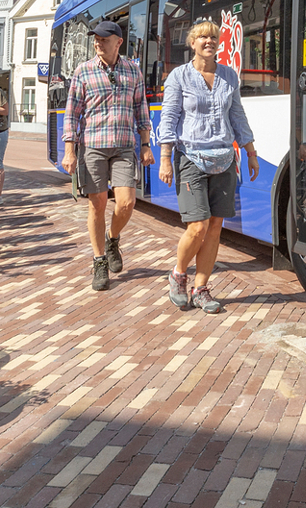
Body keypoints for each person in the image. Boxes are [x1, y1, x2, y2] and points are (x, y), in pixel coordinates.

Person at [159, 20, 259, 314]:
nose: (209, 41)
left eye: (213, 37)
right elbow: (169, 118)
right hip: (190, 156)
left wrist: (251, 151)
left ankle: (201, 288)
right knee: (198, 226)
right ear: (192, 43)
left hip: (224, 158)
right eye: (202, 37)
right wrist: (165, 157)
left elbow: (237, 115)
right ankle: (178, 274)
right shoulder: (179, 77)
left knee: (215, 227)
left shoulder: (229, 76)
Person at [62, 20, 155, 291]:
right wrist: (69, 151)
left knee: (126, 202)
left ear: (118, 42)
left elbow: (141, 109)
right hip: (93, 145)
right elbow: (72, 114)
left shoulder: (132, 71)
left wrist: (146, 144)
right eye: (96, 39)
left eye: (104, 39)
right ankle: (99, 259)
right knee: (98, 203)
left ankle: (113, 238)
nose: (98, 42)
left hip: (125, 145)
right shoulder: (84, 72)